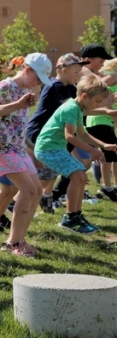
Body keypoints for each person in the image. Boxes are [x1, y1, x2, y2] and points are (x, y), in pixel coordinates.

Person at [0, 53, 50, 256]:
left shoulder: (23, 90)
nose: (38, 85)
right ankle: (13, 243)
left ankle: (20, 239)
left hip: (17, 148)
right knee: (27, 190)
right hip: (1, 147)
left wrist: (30, 151)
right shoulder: (4, 87)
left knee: (36, 190)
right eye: (38, 79)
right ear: (27, 70)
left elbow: (18, 125)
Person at [33, 72, 117, 235]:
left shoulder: (78, 108)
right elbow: (69, 136)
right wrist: (91, 150)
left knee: (81, 176)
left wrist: (103, 145)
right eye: (97, 101)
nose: (97, 106)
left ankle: (76, 216)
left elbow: (83, 135)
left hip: (56, 148)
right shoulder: (71, 108)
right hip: (48, 148)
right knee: (77, 176)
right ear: (84, 96)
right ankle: (71, 218)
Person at [24, 53, 87, 213]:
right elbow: (76, 108)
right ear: (64, 70)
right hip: (39, 134)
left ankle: (45, 197)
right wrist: (106, 111)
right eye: (76, 71)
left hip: (54, 136)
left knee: (50, 174)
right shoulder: (56, 86)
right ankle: (18, 201)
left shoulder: (70, 88)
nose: (78, 74)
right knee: (45, 176)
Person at [83, 57, 117, 202]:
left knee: (109, 156)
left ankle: (110, 186)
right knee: (108, 156)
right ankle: (107, 186)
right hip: (99, 120)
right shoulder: (110, 81)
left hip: (101, 121)